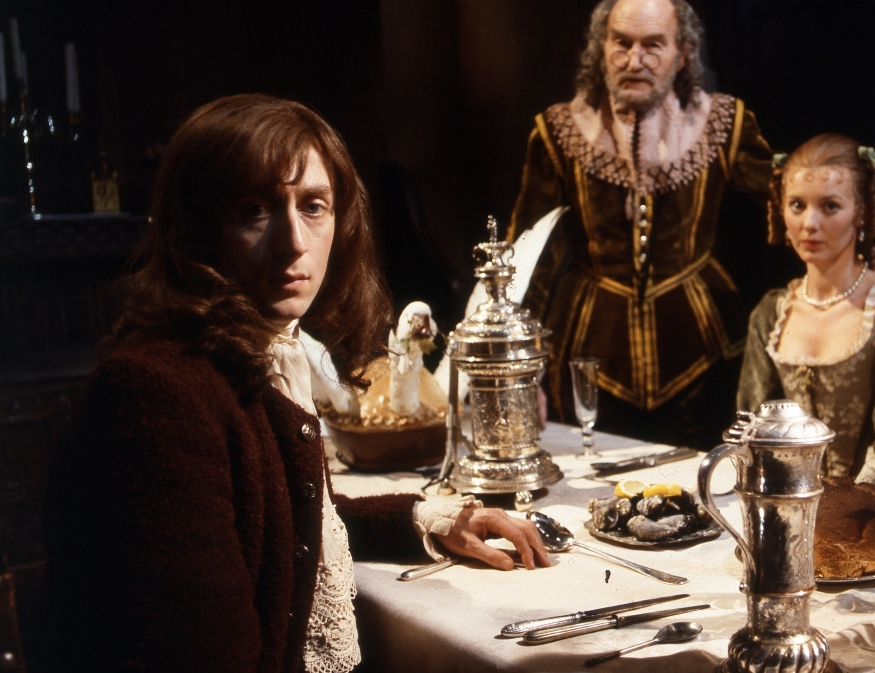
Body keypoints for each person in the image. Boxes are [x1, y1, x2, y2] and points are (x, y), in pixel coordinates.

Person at [41, 94, 549, 672]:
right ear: (195, 229)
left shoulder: (261, 352)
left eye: (313, 206)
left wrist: (428, 519)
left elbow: (288, 520)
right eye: (255, 210)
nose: (294, 242)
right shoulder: (158, 393)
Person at [507, 0, 774, 448]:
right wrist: (519, 369)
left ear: (683, 53)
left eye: (653, 45)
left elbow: (792, 200)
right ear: (601, 48)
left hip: (702, 351)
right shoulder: (559, 130)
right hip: (588, 352)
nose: (635, 60)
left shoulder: (722, 123)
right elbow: (530, 259)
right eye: (621, 43)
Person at [737, 133, 875, 496]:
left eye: (830, 206)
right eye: (797, 205)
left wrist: (841, 515)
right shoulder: (771, 313)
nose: (809, 223)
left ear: (861, 211)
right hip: (792, 505)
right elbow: (752, 433)